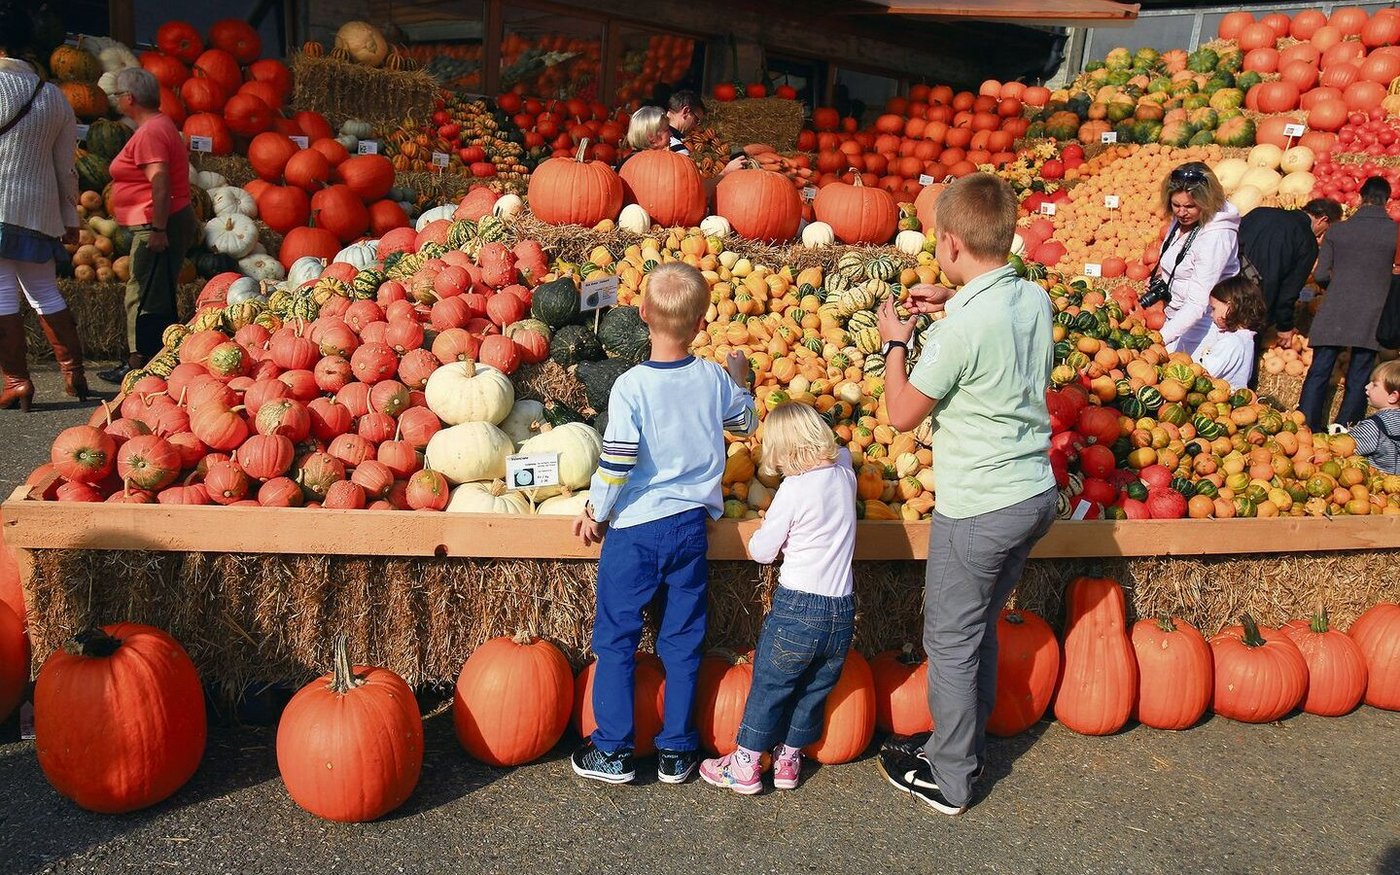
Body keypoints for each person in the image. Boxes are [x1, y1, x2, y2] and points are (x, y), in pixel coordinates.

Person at [873, 173, 1057, 816]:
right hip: (1034, 493)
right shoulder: (1034, 298)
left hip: (981, 504)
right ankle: (964, 743)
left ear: (950, 243)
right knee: (977, 628)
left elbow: (902, 413)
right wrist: (952, 300)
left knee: (950, 641)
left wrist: (896, 343)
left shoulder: (958, 333)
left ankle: (950, 778)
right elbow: (992, 315)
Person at [570, 262, 756, 785]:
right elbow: (745, 423)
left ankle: (613, 749)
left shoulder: (630, 386)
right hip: (689, 529)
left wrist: (596, 511)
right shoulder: (714, 378)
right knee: (681, 639)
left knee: (616, 638)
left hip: (635, 530)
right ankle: (678, 749)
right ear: (699, 323)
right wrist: (741, 382)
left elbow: (618, 461)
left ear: (643, 313)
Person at [698, 402, 856, 795]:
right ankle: (788, 760)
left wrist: (760, 531)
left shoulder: (794, 490)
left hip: (798, 608)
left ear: (783, 452)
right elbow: (842, 451)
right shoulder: (845, 474)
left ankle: (745, 765)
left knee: (771, 685)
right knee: (814, 688)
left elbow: (764, 552)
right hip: (841, 610)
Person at [0, 9, 89, 409]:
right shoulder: (53, 96)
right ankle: (74, 373)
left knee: (1, 294)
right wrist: (70, 218)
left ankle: (17, 381)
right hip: (40, 214)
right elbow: (66, 168)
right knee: (44, 292)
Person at [97, 66, 196, 385]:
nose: (115, 100)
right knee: (157, 293)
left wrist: (158, 229)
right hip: (165, 218)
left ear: (130, 98)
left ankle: (137, 361)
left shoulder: (151, 132)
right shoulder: (160, 125)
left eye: (117, 94)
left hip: (157, 221)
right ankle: (158, 357)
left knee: (141, 293)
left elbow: (160, 181)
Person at [1300, 176, 1398, 431]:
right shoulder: (1394, 233)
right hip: (1373, 312)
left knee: (1319, 371)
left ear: (1360, 197)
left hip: (1335, 308)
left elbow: (1321, 274)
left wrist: (1339, 288)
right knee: (1359, 375)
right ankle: (1345, 428)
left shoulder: (1337, 230)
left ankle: (1306, 426)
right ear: (1387, 201)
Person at [1151, 162, 1241, 355]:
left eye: (1190, 206)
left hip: (1202, 325)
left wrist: (1160, 338)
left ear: (1207, 202)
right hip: (1177, 318)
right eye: (1176, 205)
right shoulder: (1186, 218)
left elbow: (1197, 304)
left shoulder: (1216, 237)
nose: (1181, 212)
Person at [1237, 198, 1342, 353]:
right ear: (1323, 220)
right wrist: (1284, 325)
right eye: (1327, 229)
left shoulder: (1259, 213)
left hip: (1227, 290)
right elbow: (1290, 290)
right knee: (1243, 353)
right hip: (1257, 305)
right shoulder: (1307, 242)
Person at [1194, 274, 1267, 391]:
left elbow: (1203, 373)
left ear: (1230, 307)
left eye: (1213, 308)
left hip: (1218, 397)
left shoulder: (1232, 342)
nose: (1211, 314)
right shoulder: (1246, 339)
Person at [1348, 359, 1400, 475]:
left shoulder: (1373, 426)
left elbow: (1345, 448)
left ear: (1393, 396)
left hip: (1381, 481)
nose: (1367, 387)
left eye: (1374, 385)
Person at [665, 90, 705, 155]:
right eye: (696, 120)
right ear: (686, 111)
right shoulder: (680, 151)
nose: (696, 126)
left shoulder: (650, 132)